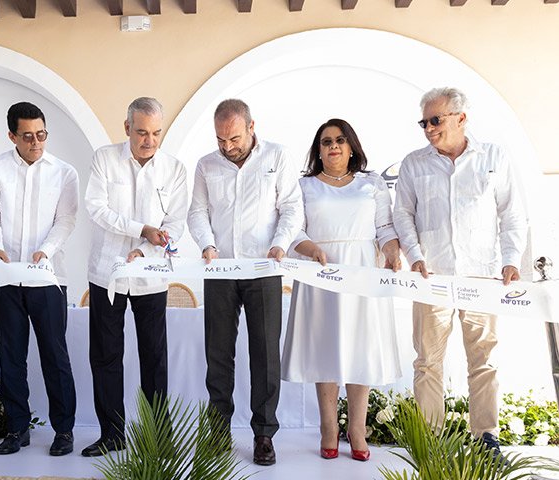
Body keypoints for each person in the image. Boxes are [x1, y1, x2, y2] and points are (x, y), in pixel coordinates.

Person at [393, 87, 528, 457]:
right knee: (427, 362)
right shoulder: (413, 164)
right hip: (431, 278)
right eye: (424, 122)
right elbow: (402, 213)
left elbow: (512, 213)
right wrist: (414, 255)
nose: (429, 129)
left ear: (461, 118)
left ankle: (486, 437)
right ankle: (430, 440)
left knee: (484, 358)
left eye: (436, 120)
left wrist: (511, 259)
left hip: (482, 277)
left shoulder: (494, 157)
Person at [187, 99, 303, 466]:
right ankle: (218, 432)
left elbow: (291, 206)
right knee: (218, 353)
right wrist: (207, 244)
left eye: (234, 138)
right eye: (220, 139)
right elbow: (198, 212)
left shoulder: (278, 157)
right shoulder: (207, 165)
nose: (227, 146)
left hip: (264, 268)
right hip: (221, 269)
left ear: (252, 126)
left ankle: (264, 434)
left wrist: (279, 245)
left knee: (265, 354)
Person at [280, 118, 403, 462]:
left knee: (359, 348)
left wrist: (392, 252)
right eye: (326, 142)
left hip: (362, 269)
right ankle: (329, 427)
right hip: (321, 272)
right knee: (326, 349)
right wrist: (310, 250)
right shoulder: (304, 187)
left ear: (351, 147)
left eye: (339, 140)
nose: (333, 146)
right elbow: (293, 230)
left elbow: (384, 227)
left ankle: (358, 429)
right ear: (318, 150)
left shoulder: (372, 184)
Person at [83, 97, 188, 457]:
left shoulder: (174, 169)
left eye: (156, 133)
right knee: (106, 357)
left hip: (151, 275)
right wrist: (141, 228)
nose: (149, 140)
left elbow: (175, 224)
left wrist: (143, 249)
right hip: (106, 273)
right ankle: (112, 434)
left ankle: (158, 437)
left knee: (154, 358)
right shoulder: (104, 158)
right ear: (127, 128)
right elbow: (96, 208)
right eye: (142, 132)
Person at [0, 102, 78, 457]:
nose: (36, 142)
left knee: (55, 356)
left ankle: (63, 430)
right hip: (6, 276)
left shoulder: (64, 172)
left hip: (48, 277)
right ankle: (17, 428)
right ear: (12, 136)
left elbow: (66, 220)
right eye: (28, 136)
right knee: (11, 357)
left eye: (41, 135)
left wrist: (45, 250)